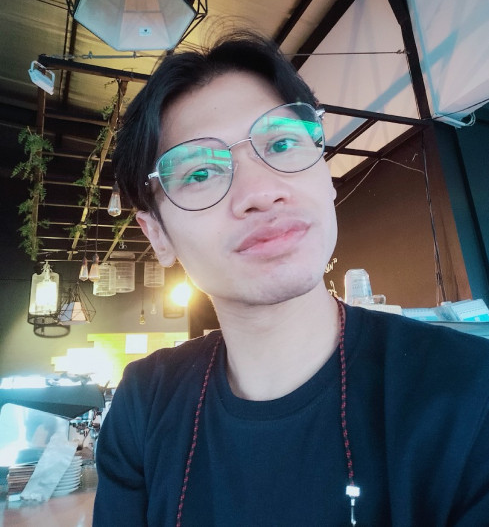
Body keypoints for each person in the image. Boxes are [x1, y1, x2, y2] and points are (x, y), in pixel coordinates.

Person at [94, 31, 489, 527]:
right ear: (157, 234)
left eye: (281, 143)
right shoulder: (145, 403)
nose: (261, 192)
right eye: (199, 173)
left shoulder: (470, 392)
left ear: (326, 175)